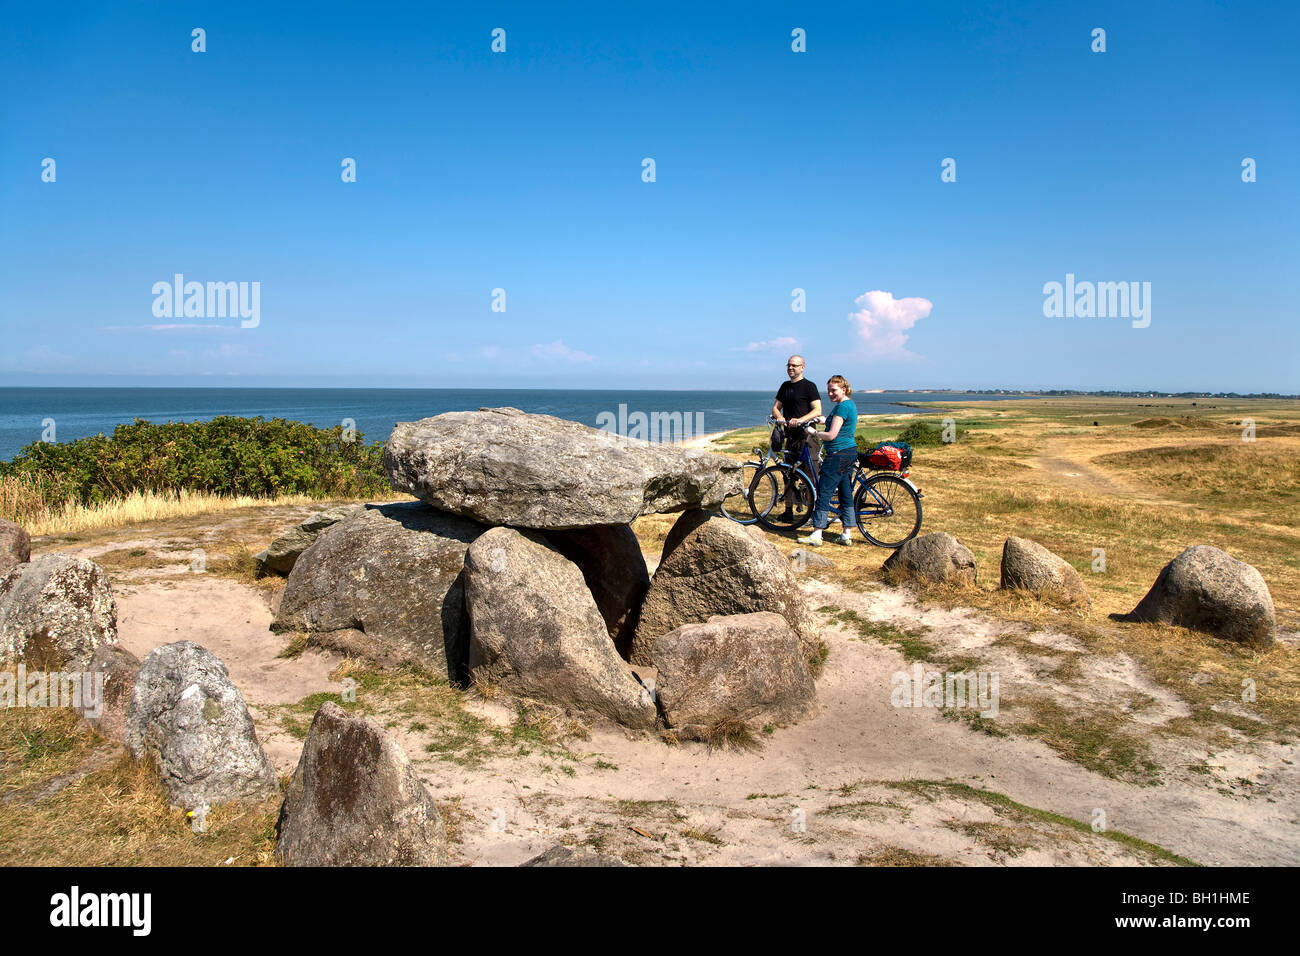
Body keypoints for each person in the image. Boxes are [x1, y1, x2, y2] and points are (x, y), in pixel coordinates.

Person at [797, 375, 859, 546]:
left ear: (843, 390)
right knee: (846, 493)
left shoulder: (841, 408)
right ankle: (847, 534)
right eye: (829, 390)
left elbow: (831, 435)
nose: (830, 393)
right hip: (849, 452)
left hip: (837, 454)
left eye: (834, 390)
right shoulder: (848, 405)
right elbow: (839, 425)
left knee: (824, 491)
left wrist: (813, 432)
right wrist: (824, 420)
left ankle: (817, 534)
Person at [771, 355, 822, 520]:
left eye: (794, 365)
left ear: (803, 367)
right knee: (788, 474)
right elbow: (776, 408)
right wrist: (779, 416)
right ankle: (788, 511)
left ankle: (813, 513)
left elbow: (817, 410)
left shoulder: (809, 387)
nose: (791, 368)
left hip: (807, 437)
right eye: (789, 365)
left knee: (811, 475)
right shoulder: (785, 386)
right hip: (790, 437)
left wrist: (800, 420)